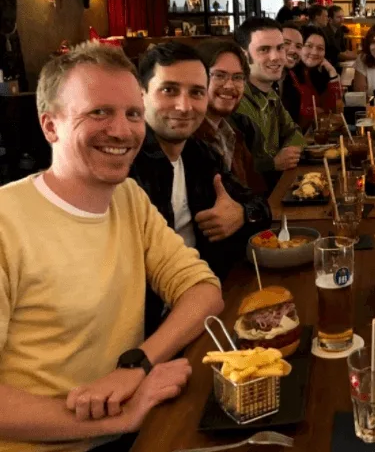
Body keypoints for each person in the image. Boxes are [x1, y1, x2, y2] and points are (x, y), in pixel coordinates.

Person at [0, 42, 223, 452]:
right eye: (99, 112)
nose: (123, 131)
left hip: (132, 433)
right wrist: (119, 416)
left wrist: (137, 364)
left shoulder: (128, 198)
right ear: (50, 126)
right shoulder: (6, 223)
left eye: (133, 114)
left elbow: (204, 292)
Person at [129, 42, 270, 335]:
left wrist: (242, 214)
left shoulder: (199, 154)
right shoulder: (126, 165)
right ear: (141, 95)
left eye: (195, 92)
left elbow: (259, 204)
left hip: (205, 307)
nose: (184, 106)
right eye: (169, 90)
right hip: (149, 328)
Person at [234, 19, 306, 187]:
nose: (276, 57)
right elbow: (234, 169)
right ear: (243, 55)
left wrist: (288, 154)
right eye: (264, 49)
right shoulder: (235, 101)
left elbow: (294, 131)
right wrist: (273, 163)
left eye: (280, 48)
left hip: (277, 189)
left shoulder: (270, 93)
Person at [195, 40, 268, 195]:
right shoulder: (190, 138)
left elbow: (257, 193)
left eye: (237, 77)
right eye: (219, 75)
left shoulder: (234, 134)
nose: (229, 85)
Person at [286, 25, 342, 131]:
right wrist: (317, 111)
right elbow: (296, 115)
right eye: (309, 46)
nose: (315, 52)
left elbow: (335, 110)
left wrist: (332, 72)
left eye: (320, 48)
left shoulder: (316, 73)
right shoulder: (288, 74)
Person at [280, 22, 305, 122]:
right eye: (286, 43)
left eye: (298, 46)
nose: (293, 50)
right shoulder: (261, 81)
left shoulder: (292, 78)